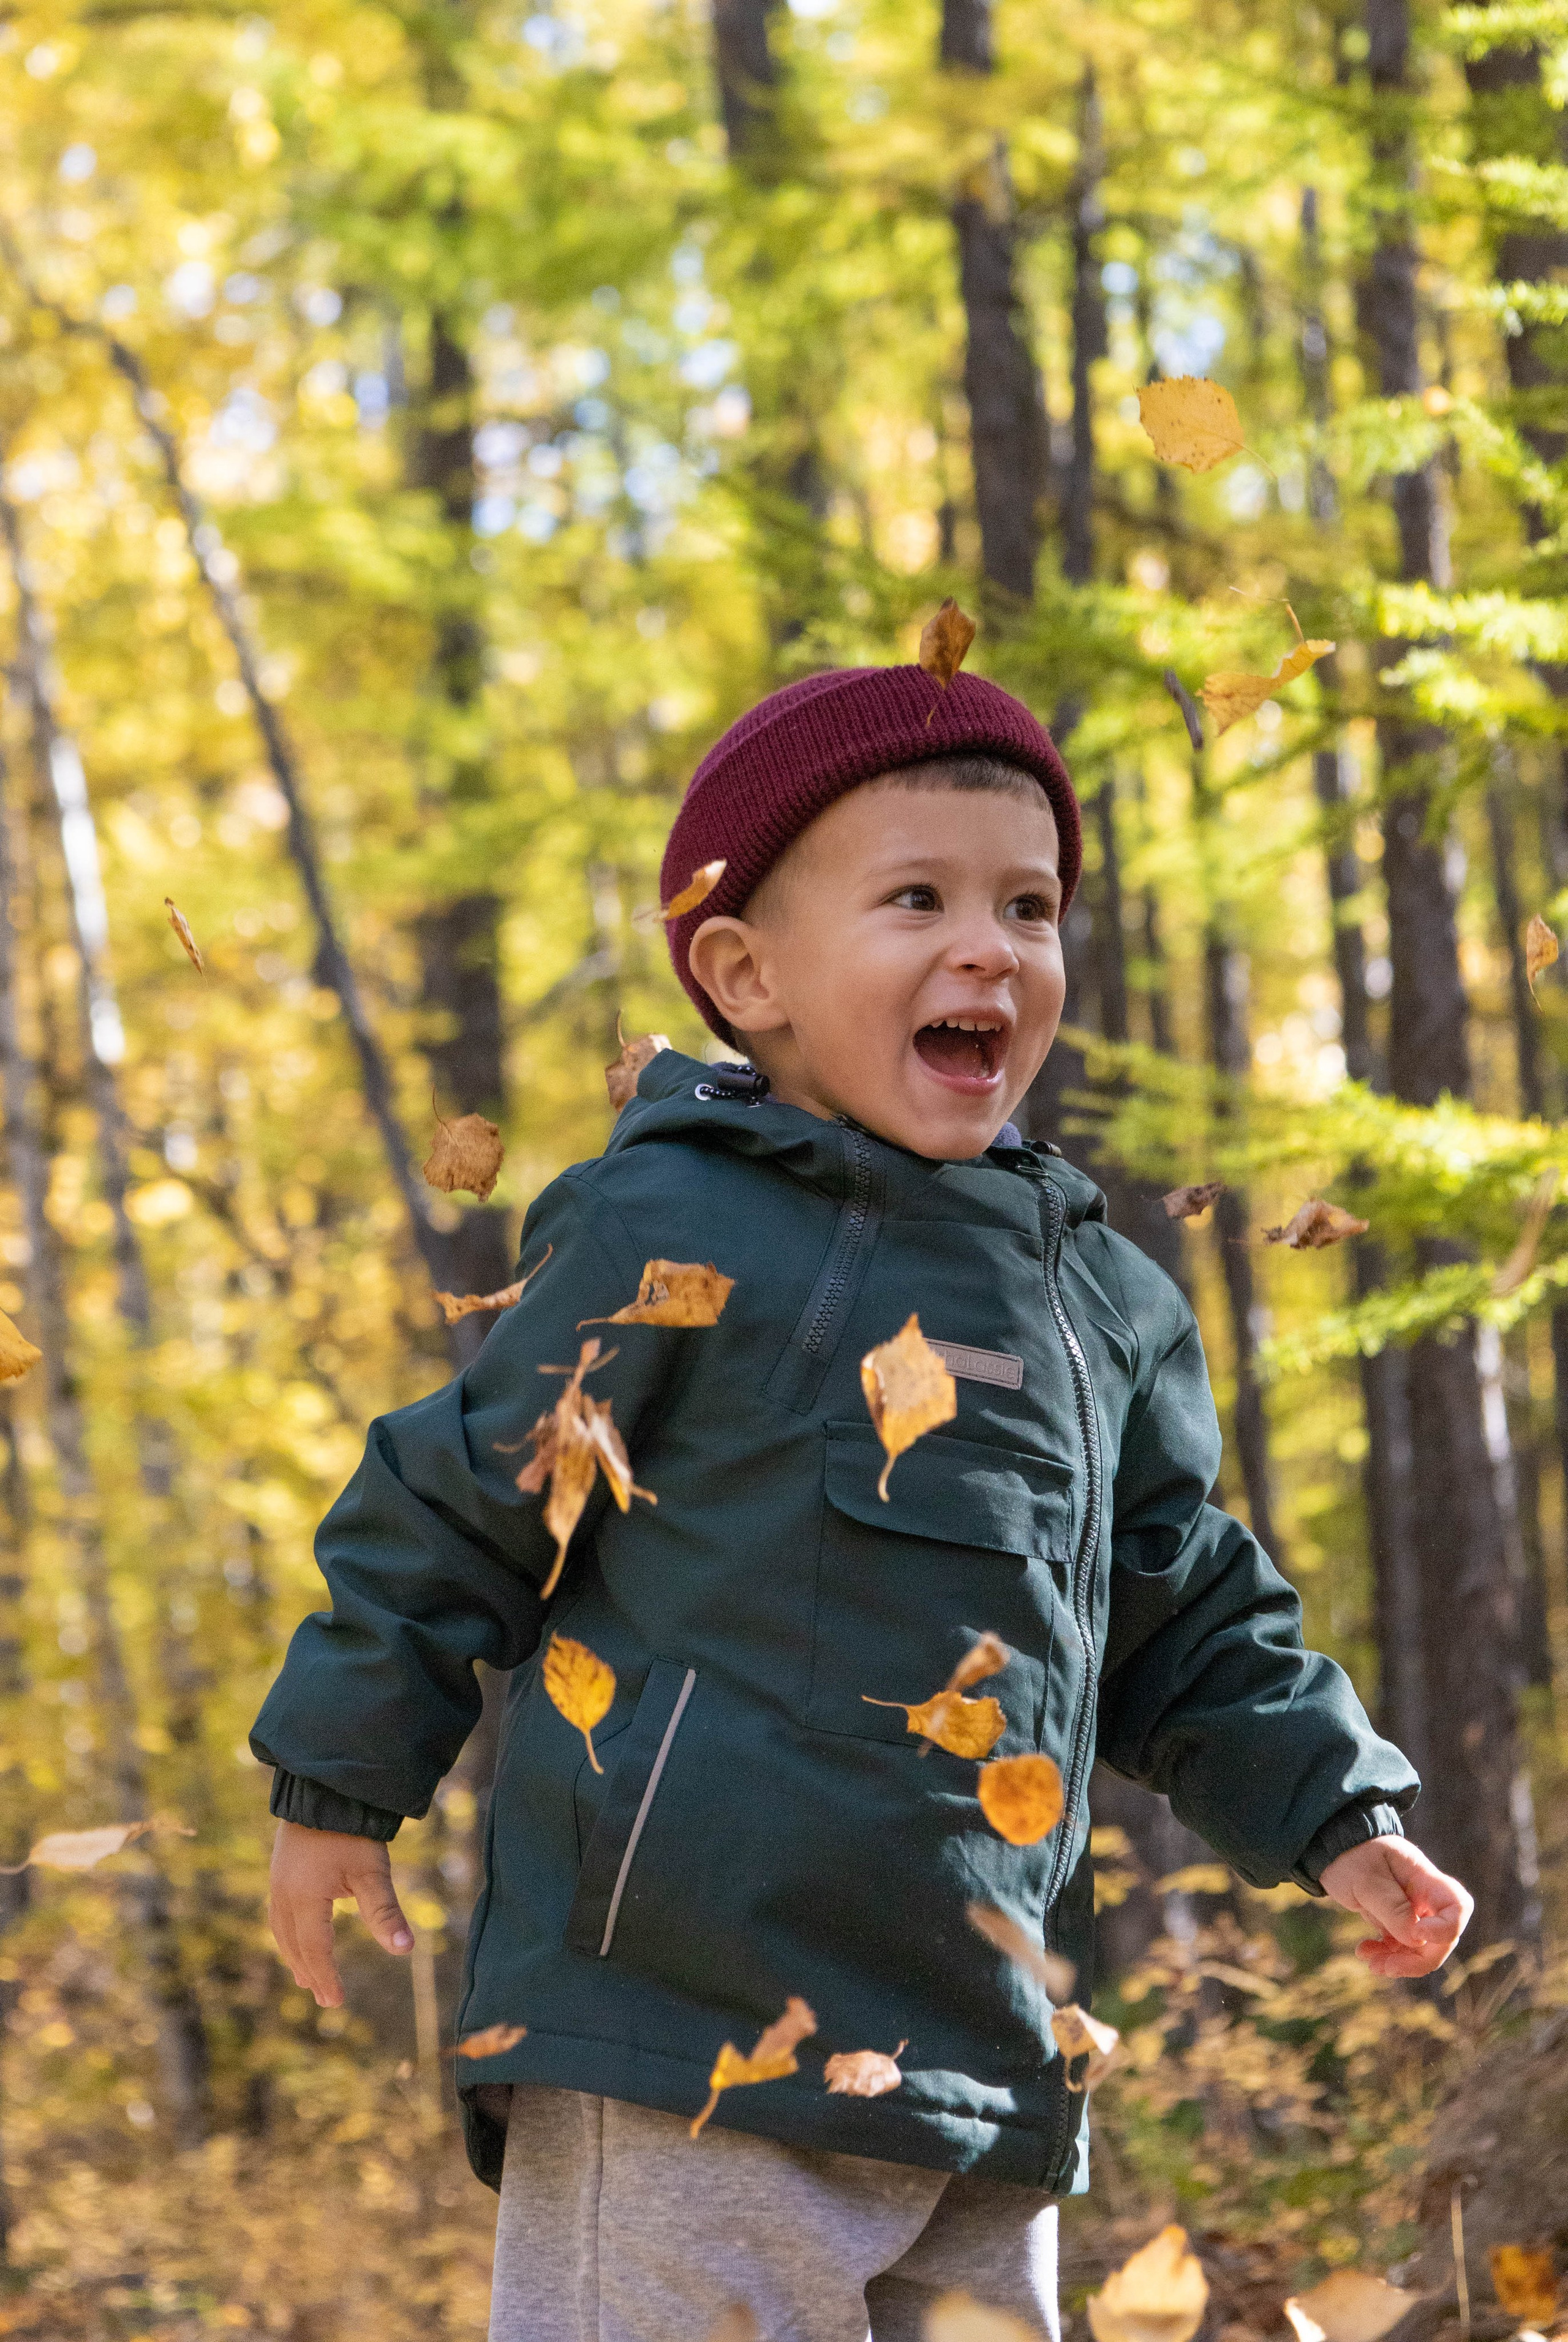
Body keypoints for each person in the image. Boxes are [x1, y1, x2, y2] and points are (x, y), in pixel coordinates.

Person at [255, 651, 1472, 2342]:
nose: (991, 946)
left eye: (1030, 907)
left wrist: (1339, 1812)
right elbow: (460, 1502)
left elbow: (1184, 1607)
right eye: (918, 898)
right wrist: (332, 1784)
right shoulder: (666, 1227)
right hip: (684, 2035)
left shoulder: (1101, 1300)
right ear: (746, 972)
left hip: (979, 2067)